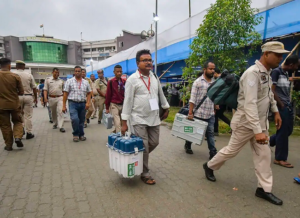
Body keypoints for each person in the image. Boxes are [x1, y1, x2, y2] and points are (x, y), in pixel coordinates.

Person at [203, 41, 289, 206]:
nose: (280, 58)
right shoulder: (252, 73)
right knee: (231, 151)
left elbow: (269, 94)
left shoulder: (267, 73)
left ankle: (263, 189)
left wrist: (276, 111)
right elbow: (249, 104)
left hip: (259, 123)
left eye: (281, 55)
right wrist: (257, 131)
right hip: (246, 123)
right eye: (277, 54)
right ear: (266, 54)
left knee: (264, 155)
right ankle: (209, 165)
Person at [121, 49, 170, 185]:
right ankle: (145, 173)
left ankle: (138, 156)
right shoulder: (132, 80)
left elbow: (160, 94)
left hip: (154, 117)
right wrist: (124, 122)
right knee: (144, 146)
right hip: (138, 118)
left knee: (154, 142)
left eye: (150, 60)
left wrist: (166, 107)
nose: (148, 62)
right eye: (145, 60)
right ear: (138, 63)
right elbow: (127, 101)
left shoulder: (154, 77)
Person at [269, 55, 299, 168]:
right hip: (282, 106)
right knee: (283, 131)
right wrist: (280, 105)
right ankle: (280, 158)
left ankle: (269, 141)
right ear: (291, 65)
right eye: (296, 66)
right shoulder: (276, 72)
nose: (297, 68)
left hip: (288, 105)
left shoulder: (285, 73)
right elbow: (272, 90)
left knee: (288, 131)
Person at [185, 62, 218, 159]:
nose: (213, 71)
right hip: (198, 113)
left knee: (210, 133)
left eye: (213, 69)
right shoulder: (197, 82)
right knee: (193, 132)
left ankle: (213, 152)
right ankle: (188, 144)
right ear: (205, 69)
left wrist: (215, 106)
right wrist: (190, 112)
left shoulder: (214, 82)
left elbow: (215, 96)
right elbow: (192, 99)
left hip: (210, 113)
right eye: (210, 69)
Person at [0, 58, 24, 150]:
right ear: (9, 66)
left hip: (1, 106)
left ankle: (9, 145)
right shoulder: (15, 76)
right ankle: (17, 137)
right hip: (14, 104)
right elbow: (21, 91)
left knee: (5, 125)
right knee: (18, 121)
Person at [62, 66, 91, 142]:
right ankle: (75, 134)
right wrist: (64, 105)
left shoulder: (86, 82)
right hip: (72, 103)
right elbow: (65, 94)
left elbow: (89, 93)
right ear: (74, 72)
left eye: (79, 71)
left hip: (82, 104)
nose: (77, 72)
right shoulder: (69, 81)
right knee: (75, 119)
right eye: (76, 71)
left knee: (81, 121)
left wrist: (88, 103)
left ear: (81, 72)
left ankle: (81, 135)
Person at [14, 60, 37, 139]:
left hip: (18, 97)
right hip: (28, 96)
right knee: (28, 116)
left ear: (16, 66)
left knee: (20, 115)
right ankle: (29, 133)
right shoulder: (29, 75)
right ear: (23, 66)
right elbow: (34, 88)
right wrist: (36, 98)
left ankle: (21, 130)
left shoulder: (13, 75)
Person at [44, 68, 65, 133]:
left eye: (58, 72)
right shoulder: (48, 80)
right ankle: (55, 123)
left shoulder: (61, 81)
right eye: (55, 72)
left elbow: (64, 91)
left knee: (60, 111)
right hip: (51, 98)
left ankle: (61, 126)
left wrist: (64, 100)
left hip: (60, 97)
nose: (56, 74)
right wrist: (45, 98)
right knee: (53, 112)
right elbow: (45, 90)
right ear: (52, 72)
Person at [105, 65, 126, 133]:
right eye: (117, 72)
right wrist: (107, 107)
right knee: (117, 123)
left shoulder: (124, 81)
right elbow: (108, 95)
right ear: (114, 72)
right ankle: (119, 139)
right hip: (114, 104)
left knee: (123, 123)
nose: (119, 73)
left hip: (123, 104)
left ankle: (115, 134)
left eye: (120, 71)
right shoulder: (111, 82)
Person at [213, 68, 231, 136]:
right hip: (224, 101)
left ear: (216, 73)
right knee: (219, 115)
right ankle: (232, 126)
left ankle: (215, 131)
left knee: (216, 115)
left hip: (220, 101)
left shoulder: (220, 80)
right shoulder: (224, 79)